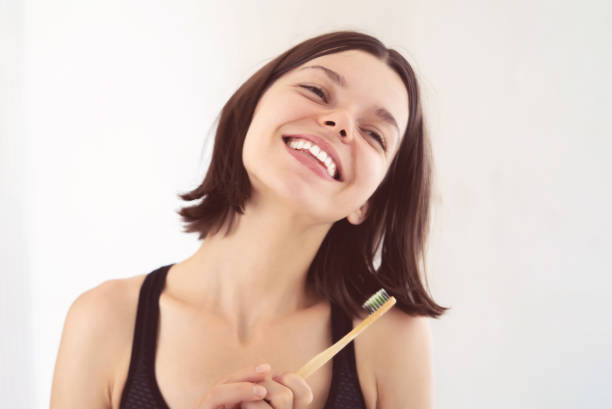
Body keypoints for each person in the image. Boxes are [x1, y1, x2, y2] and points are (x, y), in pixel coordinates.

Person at [50, 30, 448, 409]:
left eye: (374, 134)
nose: (341, 122)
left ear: (367, 203)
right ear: (252, 112)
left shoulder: (390, 338)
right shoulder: (103, 320)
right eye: (316, 91)